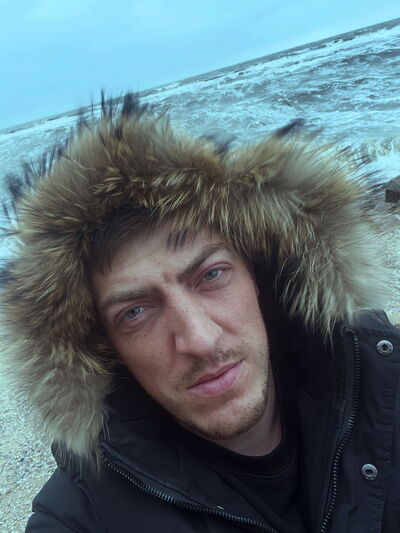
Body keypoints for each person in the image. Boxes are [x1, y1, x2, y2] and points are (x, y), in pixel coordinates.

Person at [1, 94, 399, 533]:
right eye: (135, 311)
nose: (200, 340)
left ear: (258, 273)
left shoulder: (383, 375)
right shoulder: (81, 515)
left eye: (211, 275)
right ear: (104, 347)